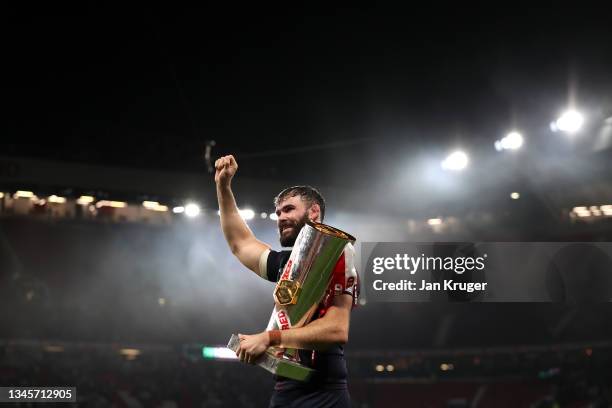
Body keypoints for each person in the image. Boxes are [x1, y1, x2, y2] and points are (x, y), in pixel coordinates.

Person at [215, 154, 359, 408]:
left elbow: (338, 329)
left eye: (289, 209)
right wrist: (223, 187)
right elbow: (240, 244)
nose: (280, 217)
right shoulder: (287, 263)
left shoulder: (336, 254)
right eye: (278, 212)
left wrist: (269, 338)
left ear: (314, 212)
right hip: (286, 388)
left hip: (323, 393)